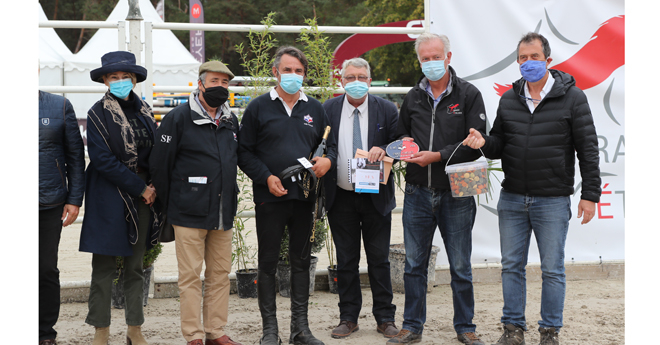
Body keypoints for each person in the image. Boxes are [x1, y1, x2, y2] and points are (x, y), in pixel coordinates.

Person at [462, 32, 601, 345]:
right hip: (512, 198)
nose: (527, 63)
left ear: (548, 61)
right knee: (512, 267)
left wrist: (590, 194)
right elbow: (499, 143)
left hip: (552, 201)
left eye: (534, 57)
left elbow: (588, 149)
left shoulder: (572, 97)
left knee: (552, 269)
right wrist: (483, 142)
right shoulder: (509, 99)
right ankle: (513, 330)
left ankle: (549, 332)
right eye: (522, 58)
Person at [389, 32, 487, 345]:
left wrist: (437, 156)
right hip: (418, 192)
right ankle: (411, 327)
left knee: (460, 265)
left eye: (435, 57)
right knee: (414, 265)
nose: (430, 63)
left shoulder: (469, 94)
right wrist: (405, 146)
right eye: (424, 58)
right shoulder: (412, 97)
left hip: (456, 192)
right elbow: (401, 134)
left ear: (448, 56)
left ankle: (465, 328)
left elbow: (476, 143)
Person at [238, 46, 337, 345]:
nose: (293, 76)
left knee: (301, 261)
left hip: (305, 198)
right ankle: (270, 331)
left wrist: (327, 161)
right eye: (288, 70)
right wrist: (266, 177)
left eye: (299, 71)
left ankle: (300, 330)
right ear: (275, 72)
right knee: (267, 262)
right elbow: (243, 151)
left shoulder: (315, 109)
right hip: (270, 196)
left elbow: (328, 146)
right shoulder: (258, 108)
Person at [149, 61, 242, 345]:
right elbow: (160, 165)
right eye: (215, 81)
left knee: (220, 274)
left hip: (223, 211)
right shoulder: (177, 118)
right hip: (188, 211)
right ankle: (193, 335)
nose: (220, 87)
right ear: (200, 83)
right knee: (189, 276)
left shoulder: (230, 120)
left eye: (225, 83)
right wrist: (172, 203)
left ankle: (216, 330)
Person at [79, 51, 162, 345]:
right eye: (113, 77)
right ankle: (101, 330)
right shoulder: (96, 113)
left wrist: (152, 184)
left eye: (125, 77)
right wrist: (140, 188)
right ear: (104, 80)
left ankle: (134, 328)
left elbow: (157, 153)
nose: (120, 81)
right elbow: (101, 159)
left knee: (136, 266)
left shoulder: (147, 112)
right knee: (103, 266)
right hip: (109, 194)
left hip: (144, 194)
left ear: (135, 79)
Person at [322, 57, 399, 339]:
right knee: (346, 260)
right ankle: (348, 317)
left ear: (370, 80)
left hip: (376, 195)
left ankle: (385, 318)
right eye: (349, 77)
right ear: (341, 81)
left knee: (379, 259)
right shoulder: (327, 109)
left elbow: (402, 142)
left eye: (361, 77)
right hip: (340, 197)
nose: (356, 82)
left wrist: (385, 149)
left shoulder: (387, 109)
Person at [39, 86, 85, 345]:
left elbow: (75, 156)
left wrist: (74, 199)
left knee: (45, 269)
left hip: (50, 201)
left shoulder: (60, 106)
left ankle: (45, 334)